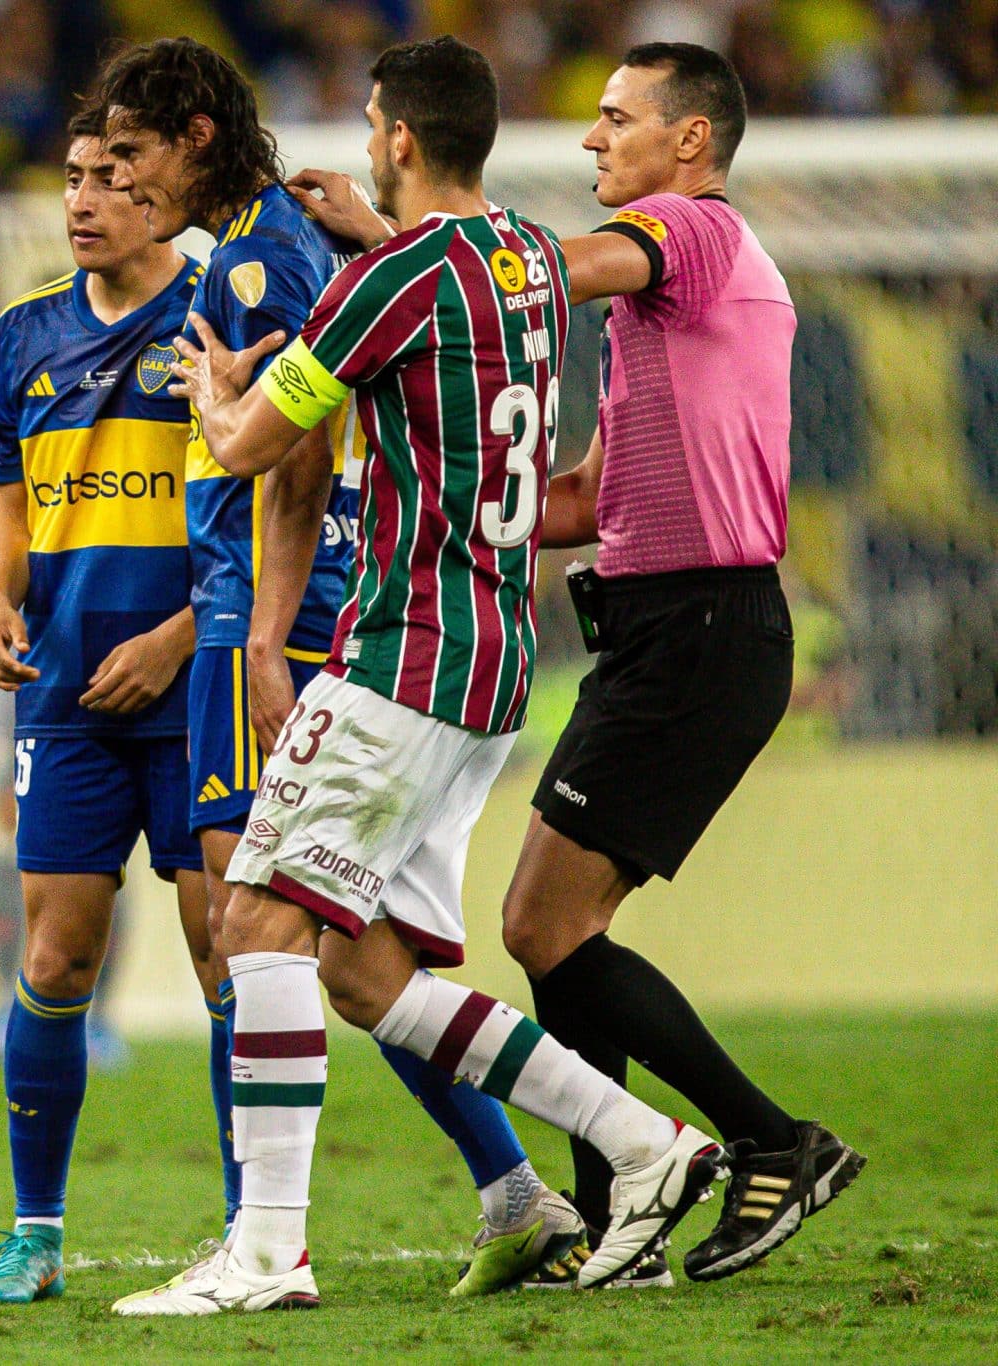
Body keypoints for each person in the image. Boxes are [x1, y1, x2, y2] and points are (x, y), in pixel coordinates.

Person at [115, 37, 724, 1315]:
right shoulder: (525, 259)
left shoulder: (386, 279)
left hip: (402, 651)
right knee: (362, 969)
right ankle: (639, 1144)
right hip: (494, 661)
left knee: (255, 923)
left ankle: (264, 1252)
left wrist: (215, 388)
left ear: (392, 136)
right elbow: (430, 335)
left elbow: (245, 445)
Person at [290, 40, 866, 1290]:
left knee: (545, 924)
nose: (593, 140)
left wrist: (408, 236)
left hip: (704, 628)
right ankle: (625, 1212)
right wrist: (424, 487)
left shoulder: (697, 234)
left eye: (615, 119)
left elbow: (535, 275)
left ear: (690, 142)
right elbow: (571, 500)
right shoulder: (658, 322)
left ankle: (771, 1141)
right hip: (659, 631)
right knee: (542, 926)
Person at [0, 112, 211, 1306]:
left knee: (230, 957)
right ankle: (33, 1231)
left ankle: (248, 1226)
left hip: (199, 683)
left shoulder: (225, 311)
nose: (82, 198)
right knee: (55, 951)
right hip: (63, 693)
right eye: (70, 177)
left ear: (164, 192)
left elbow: (274, 505)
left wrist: (176, 638)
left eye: (111, 178)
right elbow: (4, 498)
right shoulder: (23, 333)